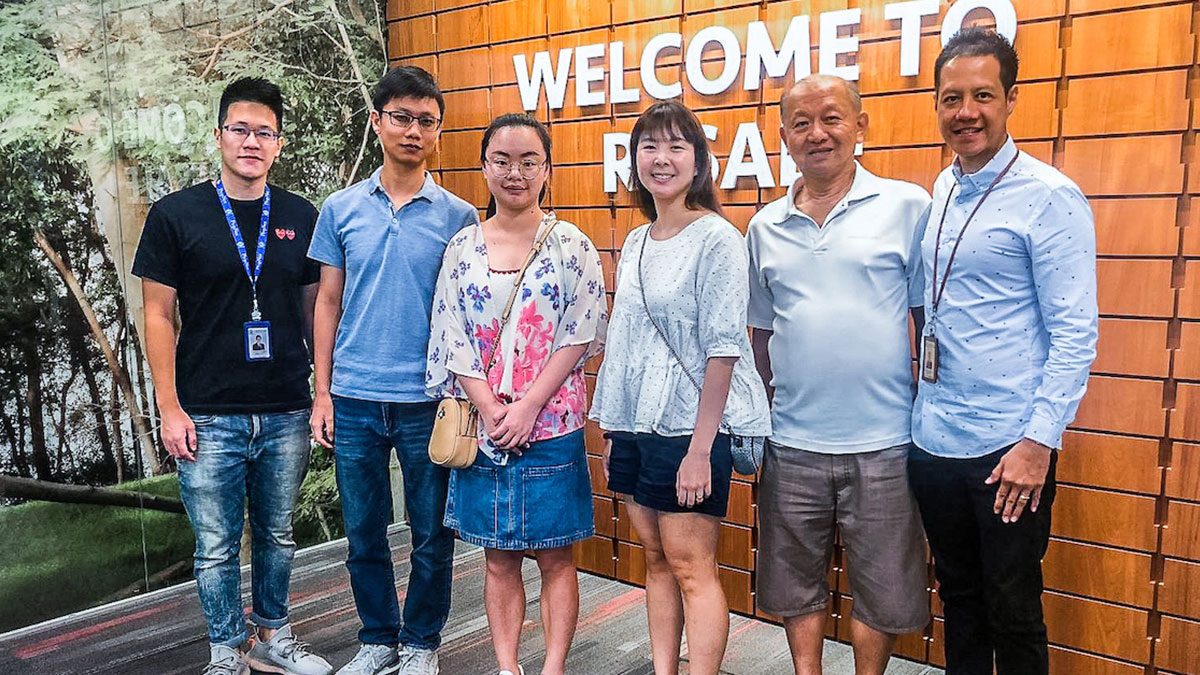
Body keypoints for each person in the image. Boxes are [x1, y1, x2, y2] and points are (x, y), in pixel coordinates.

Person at [908, 28, 1098, 674]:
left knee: (1013, 610)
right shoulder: (943, 188)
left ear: (1012, 98)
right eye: (951, 98)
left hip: (1008, 448)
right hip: (934, 440)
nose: (966, 112)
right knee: (959, 599)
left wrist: (1039, 442)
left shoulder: (1049, 196)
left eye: (983, 95)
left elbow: (1075, 333)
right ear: (937, 105)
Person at [132, 77, 332, 675]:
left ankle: (273, 636)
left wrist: (321, 394)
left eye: (264, 132)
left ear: (279, 143)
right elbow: (157, 314)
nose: (251, 142)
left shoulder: (300, 215)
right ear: (219, 135)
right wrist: (169, 406)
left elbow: (315, 312)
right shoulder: (175, 215)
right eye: (240, 129)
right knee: (216, 546)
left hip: (285, 408)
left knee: (278, 534)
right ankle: (226, 649)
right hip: (206, 411)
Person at [746, 74, 932, 675]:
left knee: (884, 590)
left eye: (831, 118)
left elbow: (928, 321)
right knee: (793, 586)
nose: (817, 133)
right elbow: (760, 333)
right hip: (792, 441)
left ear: (860, 126)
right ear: (784, 136)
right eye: (801, 123)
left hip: (886, 442)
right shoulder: (765, 226)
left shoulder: (907, 207)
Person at [307, 66, 478, 675]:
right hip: (354, 395)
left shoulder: (459, 216)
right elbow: (327, 302)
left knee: (431, 534)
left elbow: (468, 310)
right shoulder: (340, 208)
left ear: (438, 131)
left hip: (428, 398)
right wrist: (322, 392)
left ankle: (422, 643)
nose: (413, 130)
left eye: (426, 121)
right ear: (377, 122)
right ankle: (378, 639)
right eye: (402, 117)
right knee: (363, 531)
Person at [590, 100, 771, 675]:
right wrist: (614, 429)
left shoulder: (717, 238)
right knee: (656, 560)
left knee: (693, 567)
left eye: (676, 146)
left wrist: (699, 450)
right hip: (637, 425)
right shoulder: (638, 240)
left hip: (689, 429)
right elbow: (626, 342)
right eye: (649, 146)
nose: (661, 158)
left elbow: (724, 349)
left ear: (698, 162)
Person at [426, 113, 608, 675]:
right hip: (484, 429)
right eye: (502, 161)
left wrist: (527, 407)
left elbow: (582, 330)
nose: (515, 173)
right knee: (498, 559)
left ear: (547, 169)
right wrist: (489, 407)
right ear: (484, 168)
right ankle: (508, 666)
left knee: (557, 557)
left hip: (551, 426)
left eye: (529, 162)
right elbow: (449, 331)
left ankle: (552, 667)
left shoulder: (571, 245)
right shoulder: (462, 247)